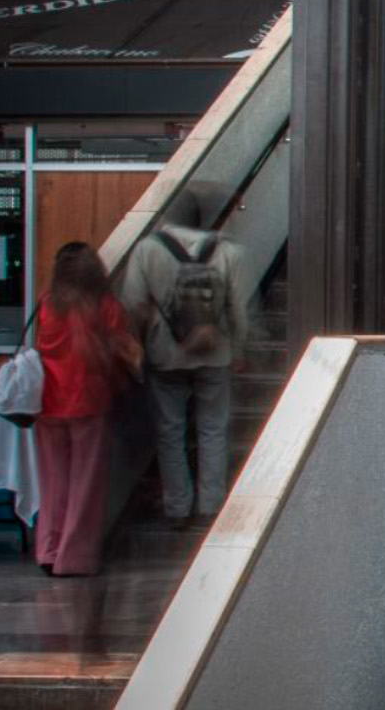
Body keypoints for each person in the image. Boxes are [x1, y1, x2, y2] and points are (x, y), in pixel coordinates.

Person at [118, 188, 248, 532]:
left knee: (170, 431)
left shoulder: (148, 250)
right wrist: (239, 348)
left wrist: (140, 345)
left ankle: (177, 507)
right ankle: (210, 505)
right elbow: (238, 308)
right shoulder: (228, 251)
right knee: (213, 428)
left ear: (168, 217)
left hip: (166, 353)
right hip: (215, 350)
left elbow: (133, 303)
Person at [34, 242, 139, 576]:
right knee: (85, 484)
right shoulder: (105, 306)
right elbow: (125, 349)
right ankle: (73, 558)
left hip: (47, 404)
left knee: (53, 481)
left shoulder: (48, 304)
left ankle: (48, 550)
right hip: (89, 401)